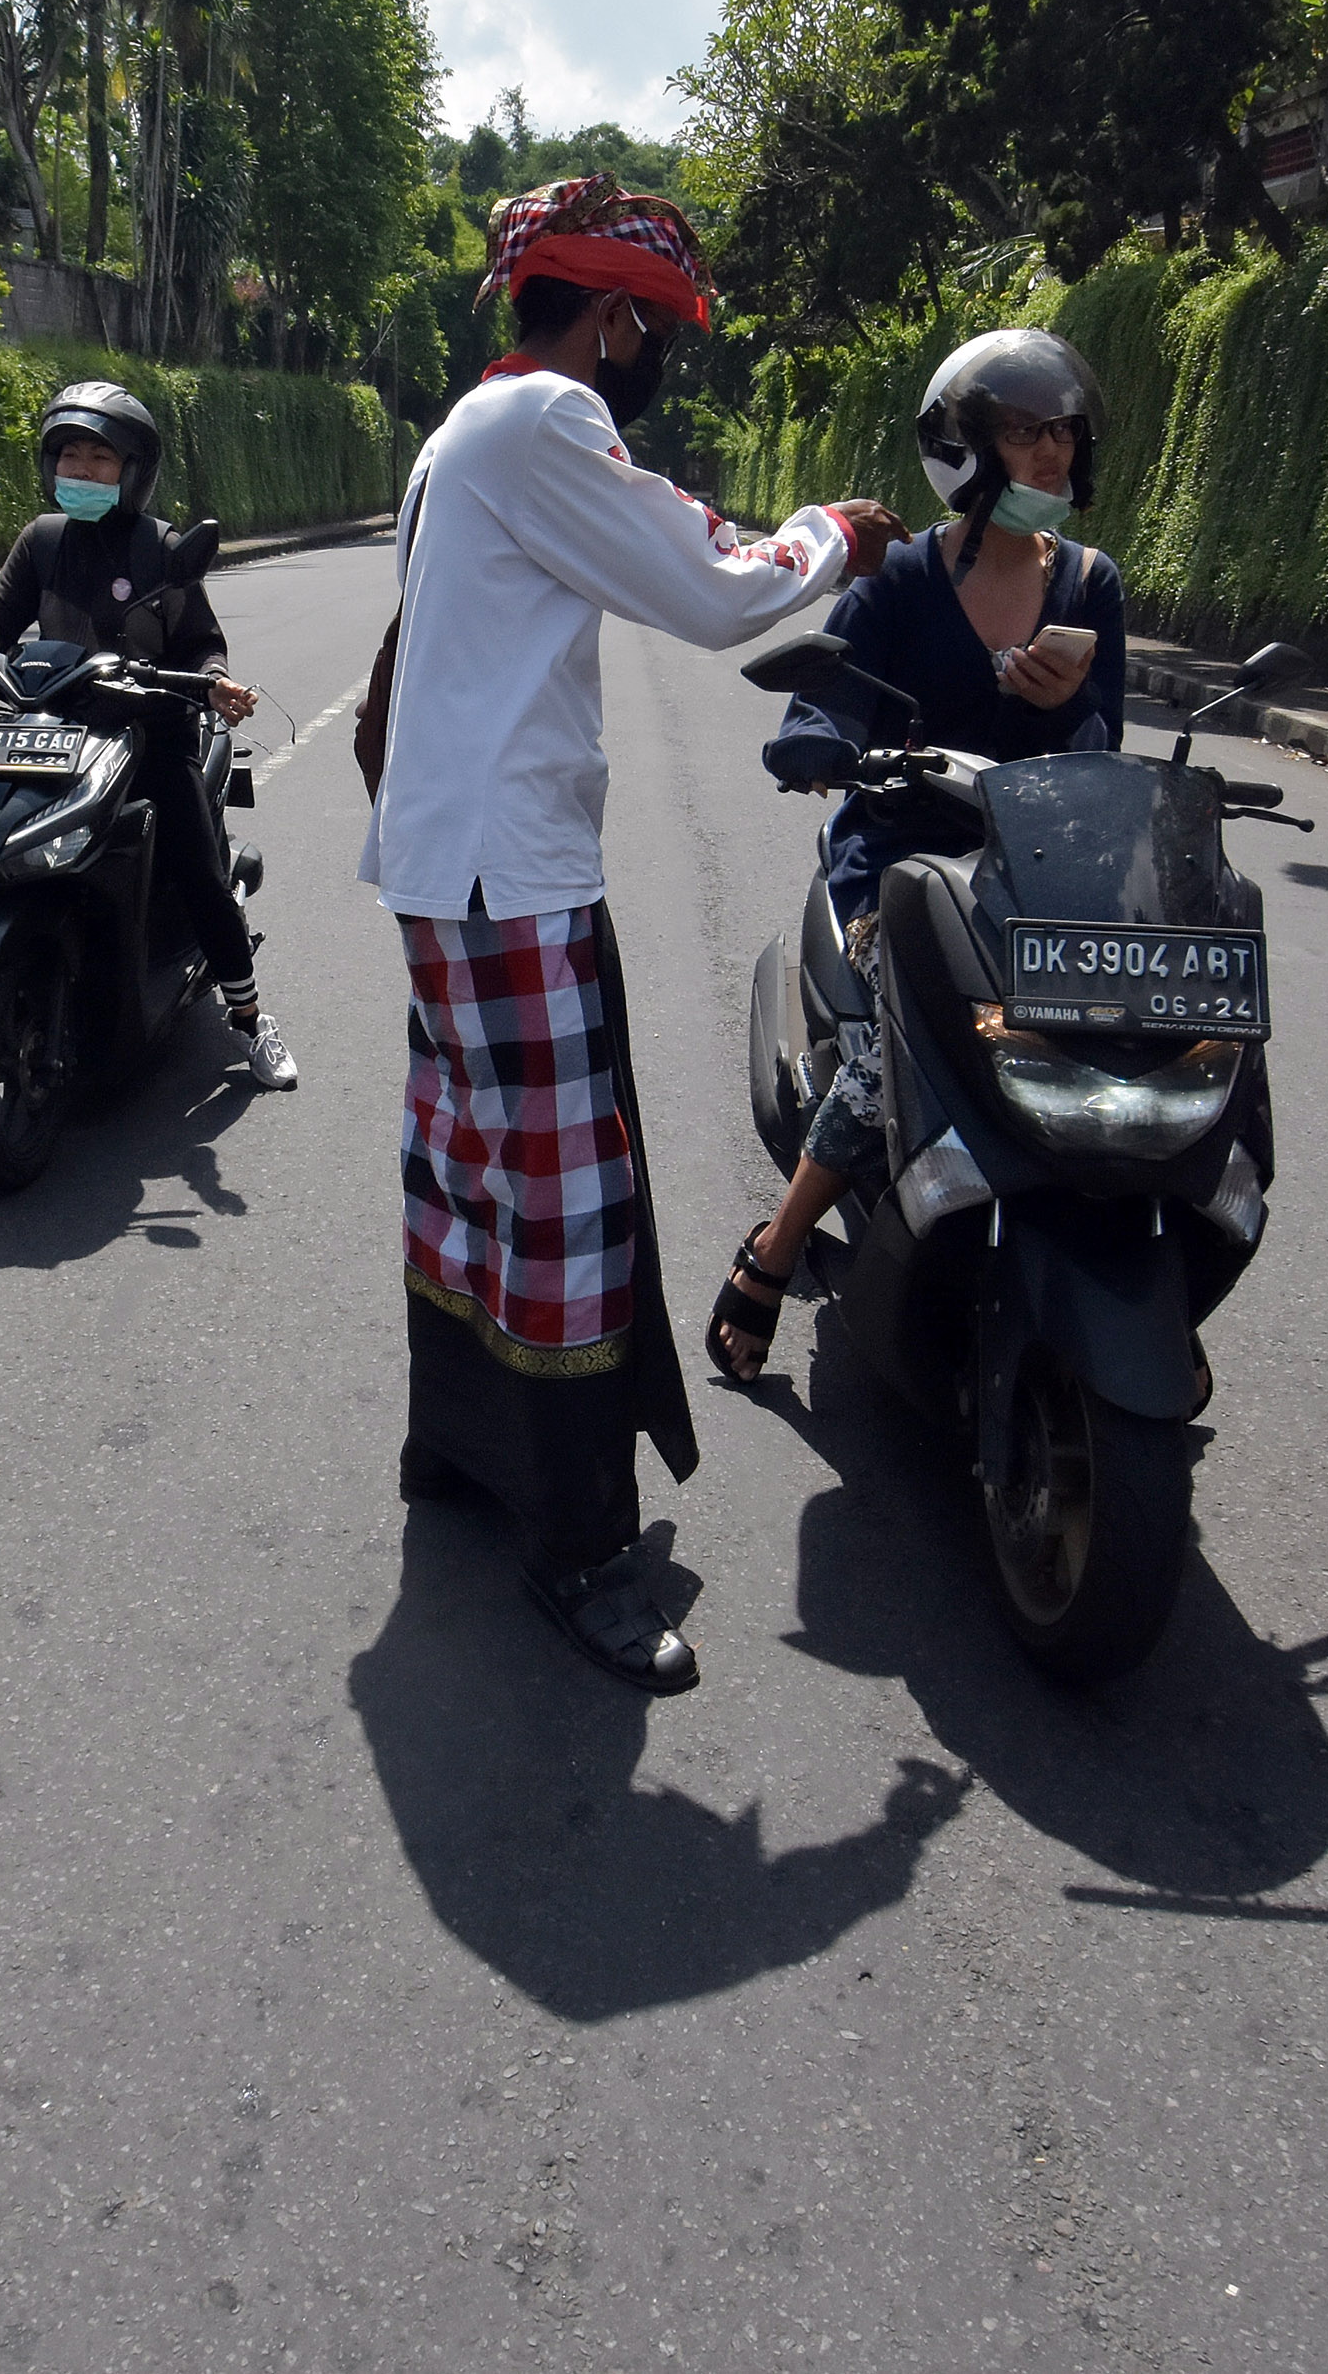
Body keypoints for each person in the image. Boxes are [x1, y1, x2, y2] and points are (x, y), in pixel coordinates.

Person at [364, 174, 899, 1694]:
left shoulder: (467, 428)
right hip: (507, 873)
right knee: (567, 1203)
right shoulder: (550, 419)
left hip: (448, 864)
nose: (658, 359)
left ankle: (461, 1447)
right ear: (610, 319)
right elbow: (712, 587)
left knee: (469, 1171)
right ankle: (578, 1540)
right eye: (656, 332)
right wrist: (833, 535)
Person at [705, 328, 1132, 1382]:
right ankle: (780, 1243)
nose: (1052, 452)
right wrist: (819, 748)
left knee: (1143, 1027)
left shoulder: (1091, 585)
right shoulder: (898, 579)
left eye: (1063, 431)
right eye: (1024, 432)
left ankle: (1138, 1274)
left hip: (1039, 868)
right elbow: (823, 706)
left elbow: (1106, 748)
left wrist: (1067, 708)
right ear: (965, 449)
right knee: (896, 1045)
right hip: (901, 860)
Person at [0, 382, 292, 1090]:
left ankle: (250, 1018)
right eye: (70, 457)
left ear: (132, 471)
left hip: (151, 735)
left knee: (197, 867)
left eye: (100, 458)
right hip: (57, 732)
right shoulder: (43, 540)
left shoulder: (161, 548)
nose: (82, 471)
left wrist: (213, 682)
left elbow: (202, 641)